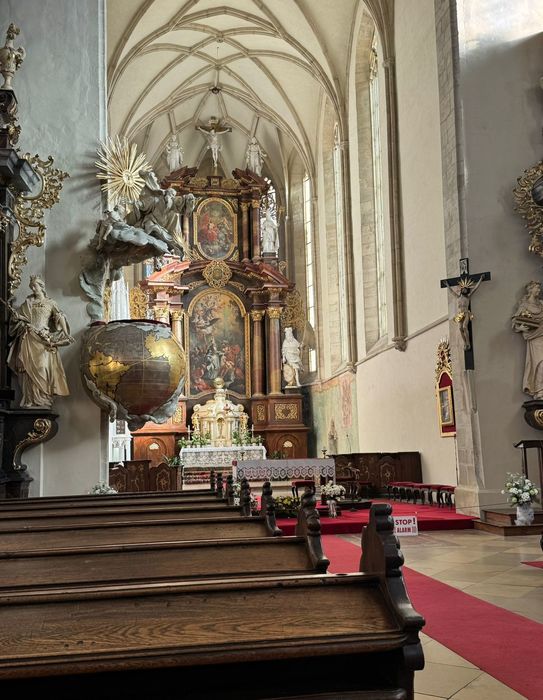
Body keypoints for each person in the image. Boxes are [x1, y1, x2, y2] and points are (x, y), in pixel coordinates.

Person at [7, 275, 74, 408]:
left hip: (44, 340)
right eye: (31, 286)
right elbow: (17, 319)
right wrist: (16, 317)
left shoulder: (51, 303)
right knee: (28, 370)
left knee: (43, 368)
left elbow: (60, 316)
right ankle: (30, 399)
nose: (33, 289)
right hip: (29, 338)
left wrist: (66, 333)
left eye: (35, 286)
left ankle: (44, 399)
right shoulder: (27, 303)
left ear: (42, 287)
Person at [512, 280, 543, 399]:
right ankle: (539, 390)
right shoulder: (524, 305)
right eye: (537, 288)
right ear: (531, 289)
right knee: (540, 363)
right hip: (534, 337)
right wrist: (521, 328)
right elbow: (515, 321)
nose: (539, 290)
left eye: (539, 288)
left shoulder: (541, 303)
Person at [444, 275, 484, 350]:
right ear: (461, 289)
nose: (464, 290)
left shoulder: (468, 297)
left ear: (467, 291)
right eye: (463, 289)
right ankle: (465, 343)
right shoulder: (458, 297)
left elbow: (475, 288)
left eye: (466, 289)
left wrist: (481, 279)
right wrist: (447, 285)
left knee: (464, 327)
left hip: (466, 314)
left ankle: (468, 342)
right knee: (460, 328)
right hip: (460, 315)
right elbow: (451, 291)